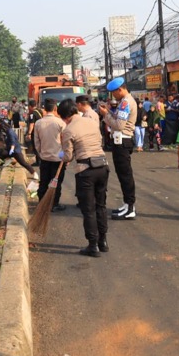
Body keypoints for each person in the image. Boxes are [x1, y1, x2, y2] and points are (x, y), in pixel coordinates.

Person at [58, 99, 110, 257]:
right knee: (101, 206)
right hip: (102, 166)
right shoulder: (92, 122)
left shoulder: (68, 130)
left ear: (65, 116)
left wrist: (62, 154)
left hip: (86, 170)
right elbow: (100, 141)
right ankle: (103, 241)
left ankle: (92, 245)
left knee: (88, 210)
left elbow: (67, 156)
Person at [98, 77, 138, 220]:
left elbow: (119, 125)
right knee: (123, 175)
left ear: (120, 89)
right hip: (121, 141)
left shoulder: (125, 102)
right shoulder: (125, 101)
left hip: (122, 140)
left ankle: (130, 207)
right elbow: (118, 119)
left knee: (125, 175)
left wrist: (105, 115)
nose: (112, 96)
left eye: (113, 93)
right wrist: (109, 112)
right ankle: (127, 204)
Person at [33, 98, 67, 212]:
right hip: (58, 159)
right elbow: (65, 141)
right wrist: (65, 155)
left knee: (43, 181)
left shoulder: (38, 123)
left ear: (44, 109)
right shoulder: (61, 123)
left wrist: (41, 153)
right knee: (56, 182)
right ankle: (54, 204)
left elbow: (36, 142)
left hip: (44, 158)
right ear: (55, 108)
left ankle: (42, 203)